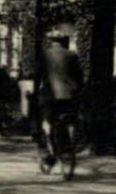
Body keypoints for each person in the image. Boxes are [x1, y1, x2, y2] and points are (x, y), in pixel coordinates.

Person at [35, 27, 83, 169]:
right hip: (70, 96)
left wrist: (34, 93)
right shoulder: (72, 55)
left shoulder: (45, 55)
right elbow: (79, 78)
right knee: (70, 121)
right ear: (64, 41)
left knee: (45, 123)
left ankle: (49, 153)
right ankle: (69, 149)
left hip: (51, 96)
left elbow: (37, 77)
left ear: (50, 41)